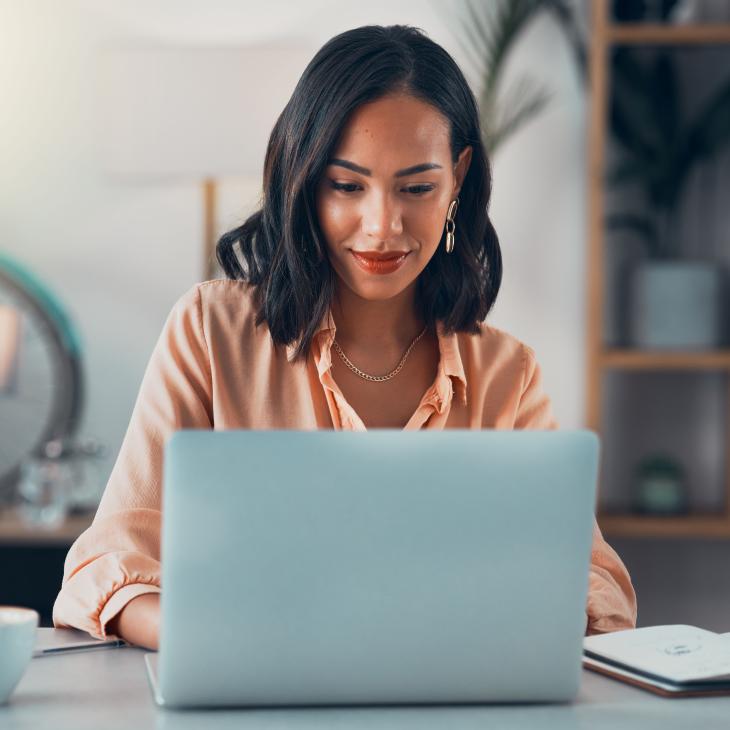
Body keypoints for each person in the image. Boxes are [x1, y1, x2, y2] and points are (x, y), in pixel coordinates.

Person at [53, 25, 636, 651]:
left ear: (458, 179)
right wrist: (216, 638)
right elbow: (107, 566)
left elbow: (593, 582)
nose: (382, 226)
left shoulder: (506, 375)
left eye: (416, 188)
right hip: (252, 690)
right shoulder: (209, 333)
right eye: (347, 185)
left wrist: (505, 621)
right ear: (303, 182)